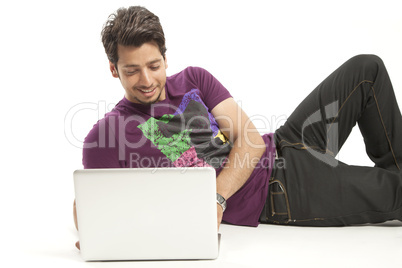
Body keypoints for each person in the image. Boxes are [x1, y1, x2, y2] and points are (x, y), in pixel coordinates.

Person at [73, 6, 402, 249]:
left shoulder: (194, 79)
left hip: (284, 143)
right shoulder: (107, 136)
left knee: (366, 69)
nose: (146, 80)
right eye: (131, 70)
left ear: (165, 58)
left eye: (153, 65)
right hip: (277, 193)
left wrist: (215, 198)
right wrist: (91, 233)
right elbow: (91, 209)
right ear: (114, 70)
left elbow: (251, 141)